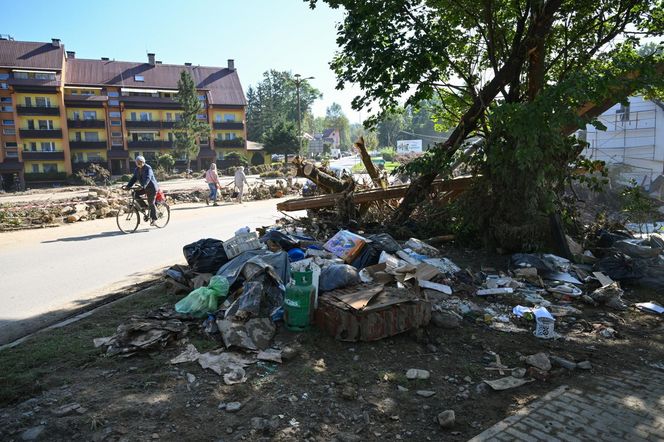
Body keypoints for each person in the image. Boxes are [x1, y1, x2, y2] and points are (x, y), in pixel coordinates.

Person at [124, 155, 159, 225]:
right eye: (137, 162)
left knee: (151, 202)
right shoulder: (136, 170)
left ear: (143, 162)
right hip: (144, 187)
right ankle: (144, 207)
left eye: (139, 162)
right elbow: (134, 179)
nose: (138, 163)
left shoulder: (148, 168)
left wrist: (143, 185)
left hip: (151, 188)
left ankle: (154, 219)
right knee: (134, 193)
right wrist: (128, 186)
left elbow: (148, 178)